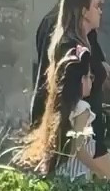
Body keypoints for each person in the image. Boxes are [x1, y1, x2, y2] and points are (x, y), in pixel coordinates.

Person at [31, 0, 110, 180]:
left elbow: (106, 73)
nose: (101, 10)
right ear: (84, 12)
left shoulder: (85, 42)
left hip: (88, 128)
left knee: (108, 184)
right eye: (96, 5)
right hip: (75, 124)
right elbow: (65, 94)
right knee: (104, 182)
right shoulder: (73, 49)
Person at [18, 44, 104, 180]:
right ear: (81, 80)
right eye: (89, 77)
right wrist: (99, 172)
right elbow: (78, 148)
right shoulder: (83, 109)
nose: (91, 81)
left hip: (60, 175)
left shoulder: (60, 108)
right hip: (77, 177)